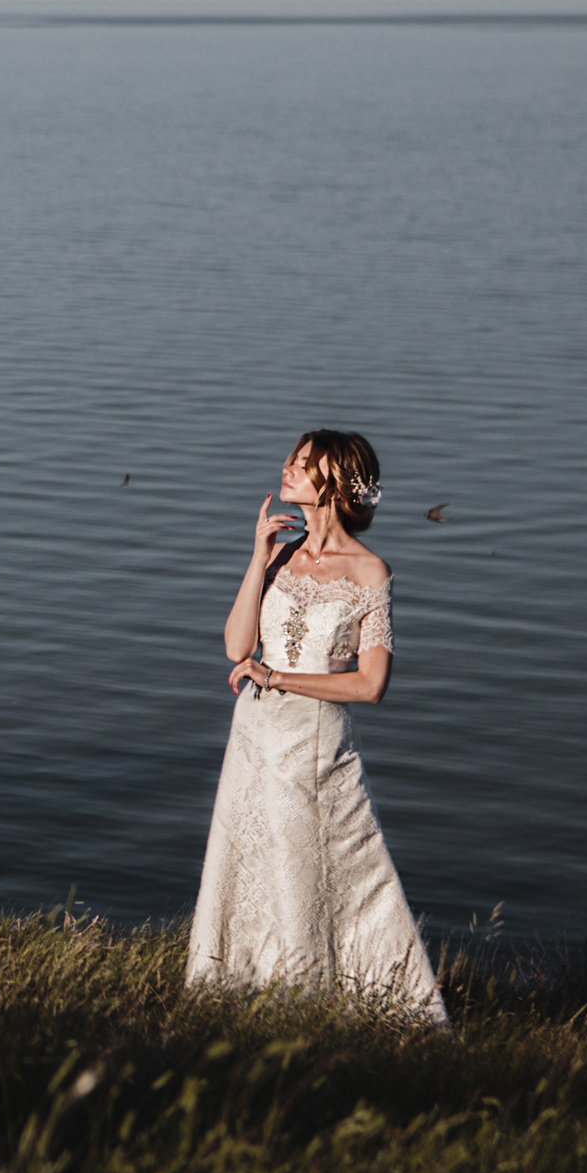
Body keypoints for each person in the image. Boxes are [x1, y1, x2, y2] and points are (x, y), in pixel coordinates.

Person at [186, 430, 448, 1025]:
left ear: (335, 481)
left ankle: (327, 1000)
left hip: (313, 743)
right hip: (253, 736)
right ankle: (241, 994)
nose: (288, 468)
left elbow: (369, 685)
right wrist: (257, 557)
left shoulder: (369, 572)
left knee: (314, 866)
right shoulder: (280, 553)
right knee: (247, 858)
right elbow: (236, 647)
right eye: (291, 460)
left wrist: (277, 678)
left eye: (303, 464)